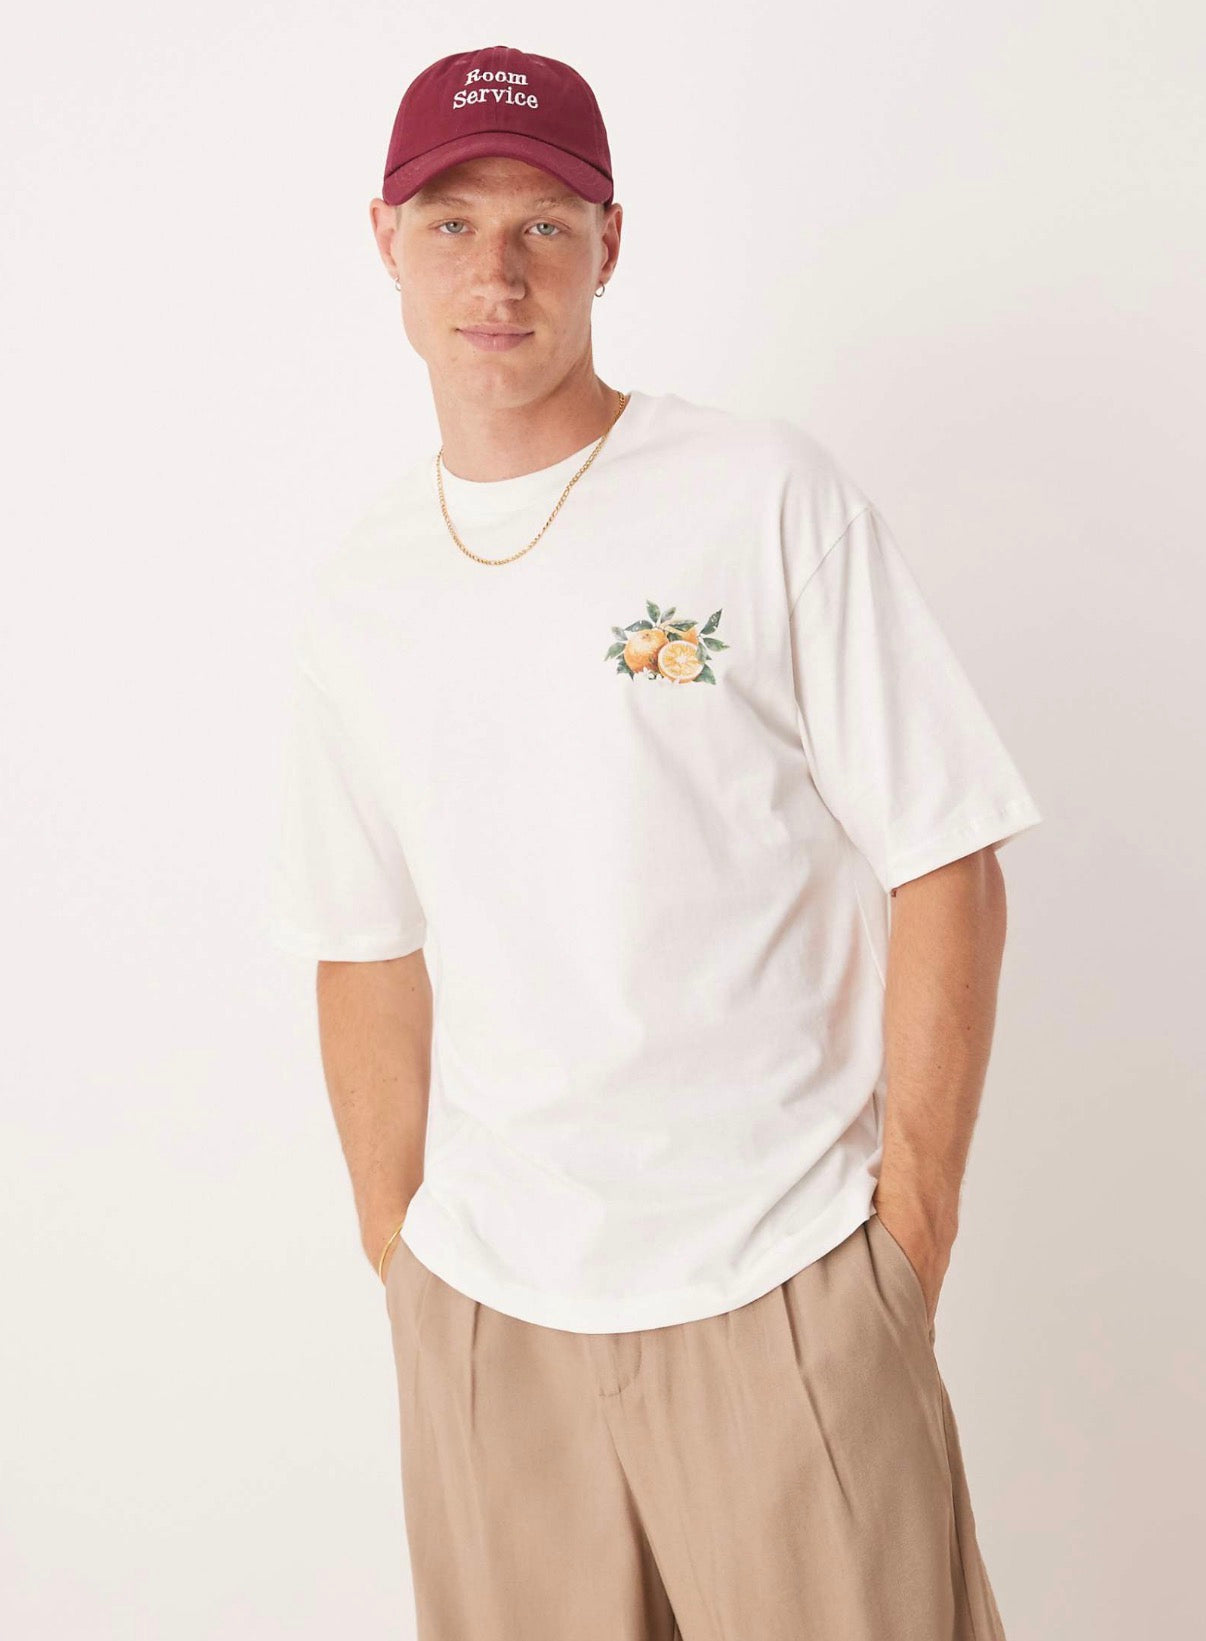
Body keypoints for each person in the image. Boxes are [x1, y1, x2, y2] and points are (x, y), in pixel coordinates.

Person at [269, 41, 1042, 1641]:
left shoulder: (758, 496)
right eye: (452, 224)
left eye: (542, 226)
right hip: (492, 1323)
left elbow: (946, 857)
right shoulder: (361, 592)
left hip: (781, 1283)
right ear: (386, 242)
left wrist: (903, 1245)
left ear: (608, 244)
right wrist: (406, 1262)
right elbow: (362, 943)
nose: (496, 273)